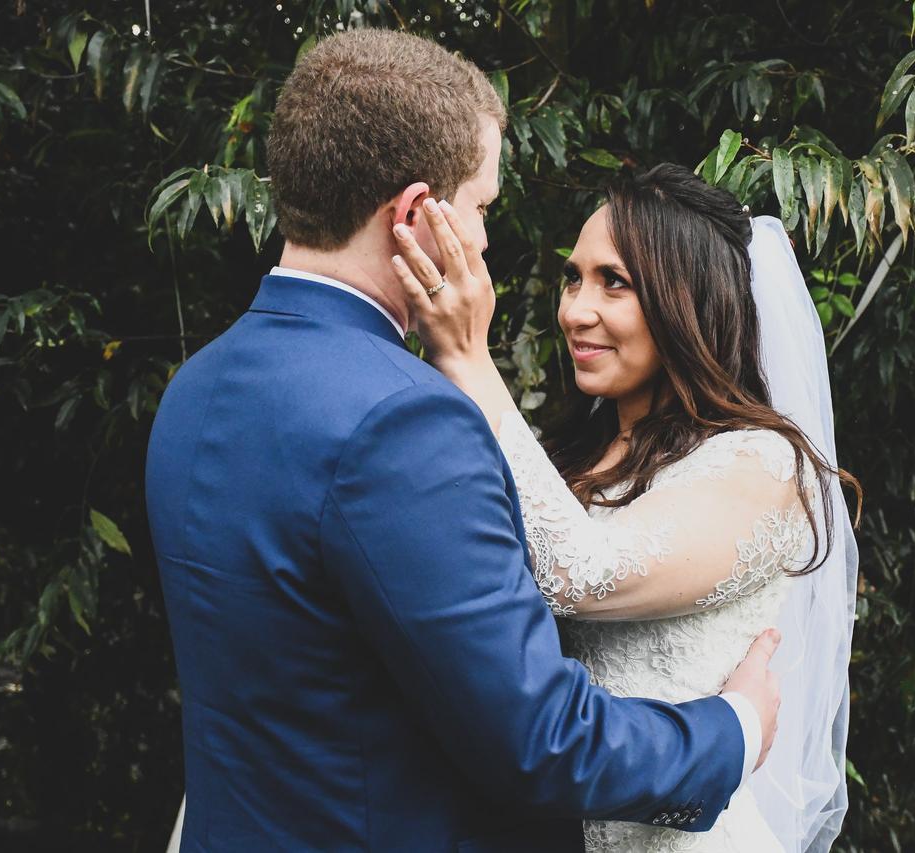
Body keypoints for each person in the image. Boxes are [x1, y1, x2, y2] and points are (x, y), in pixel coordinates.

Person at [148, 30, 781, 853]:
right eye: (480, 208)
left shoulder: (193, 387)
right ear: (415, 215)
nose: (483, 241)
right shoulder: (405, 422)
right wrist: (733, 728)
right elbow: (538, 739)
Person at [392, 164, 861, 852]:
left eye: (615, 281)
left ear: (689, 300)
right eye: (573, 277)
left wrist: (467, 354)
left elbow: (580, 571)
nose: (575, 309)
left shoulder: (763, 465)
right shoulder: (571, 459)